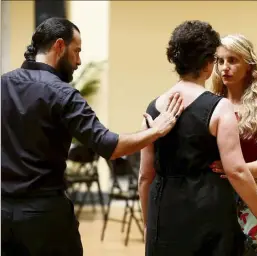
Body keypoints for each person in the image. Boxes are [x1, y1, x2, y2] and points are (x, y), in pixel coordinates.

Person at [1, 17, 183, 256]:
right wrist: (156, 130)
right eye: (76, 51)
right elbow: (110, 145)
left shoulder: (3, 84)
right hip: (44, 218)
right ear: (59, 46)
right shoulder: (63, 93)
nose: (78, 61)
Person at [138, 20, 257, 256]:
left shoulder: (153, 108)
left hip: (165, 212)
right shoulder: (219, 107)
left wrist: (149, 223)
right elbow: (237, 172)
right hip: (207, 215)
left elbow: (144, 176)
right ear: (208, 63)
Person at [211, 34, 257, 255]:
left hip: (256, 196)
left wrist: (233, 169)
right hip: (216, 197)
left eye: (233, 60)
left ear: (249, 65)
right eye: (220, 61)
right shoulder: (211, 105)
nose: (224, 67)